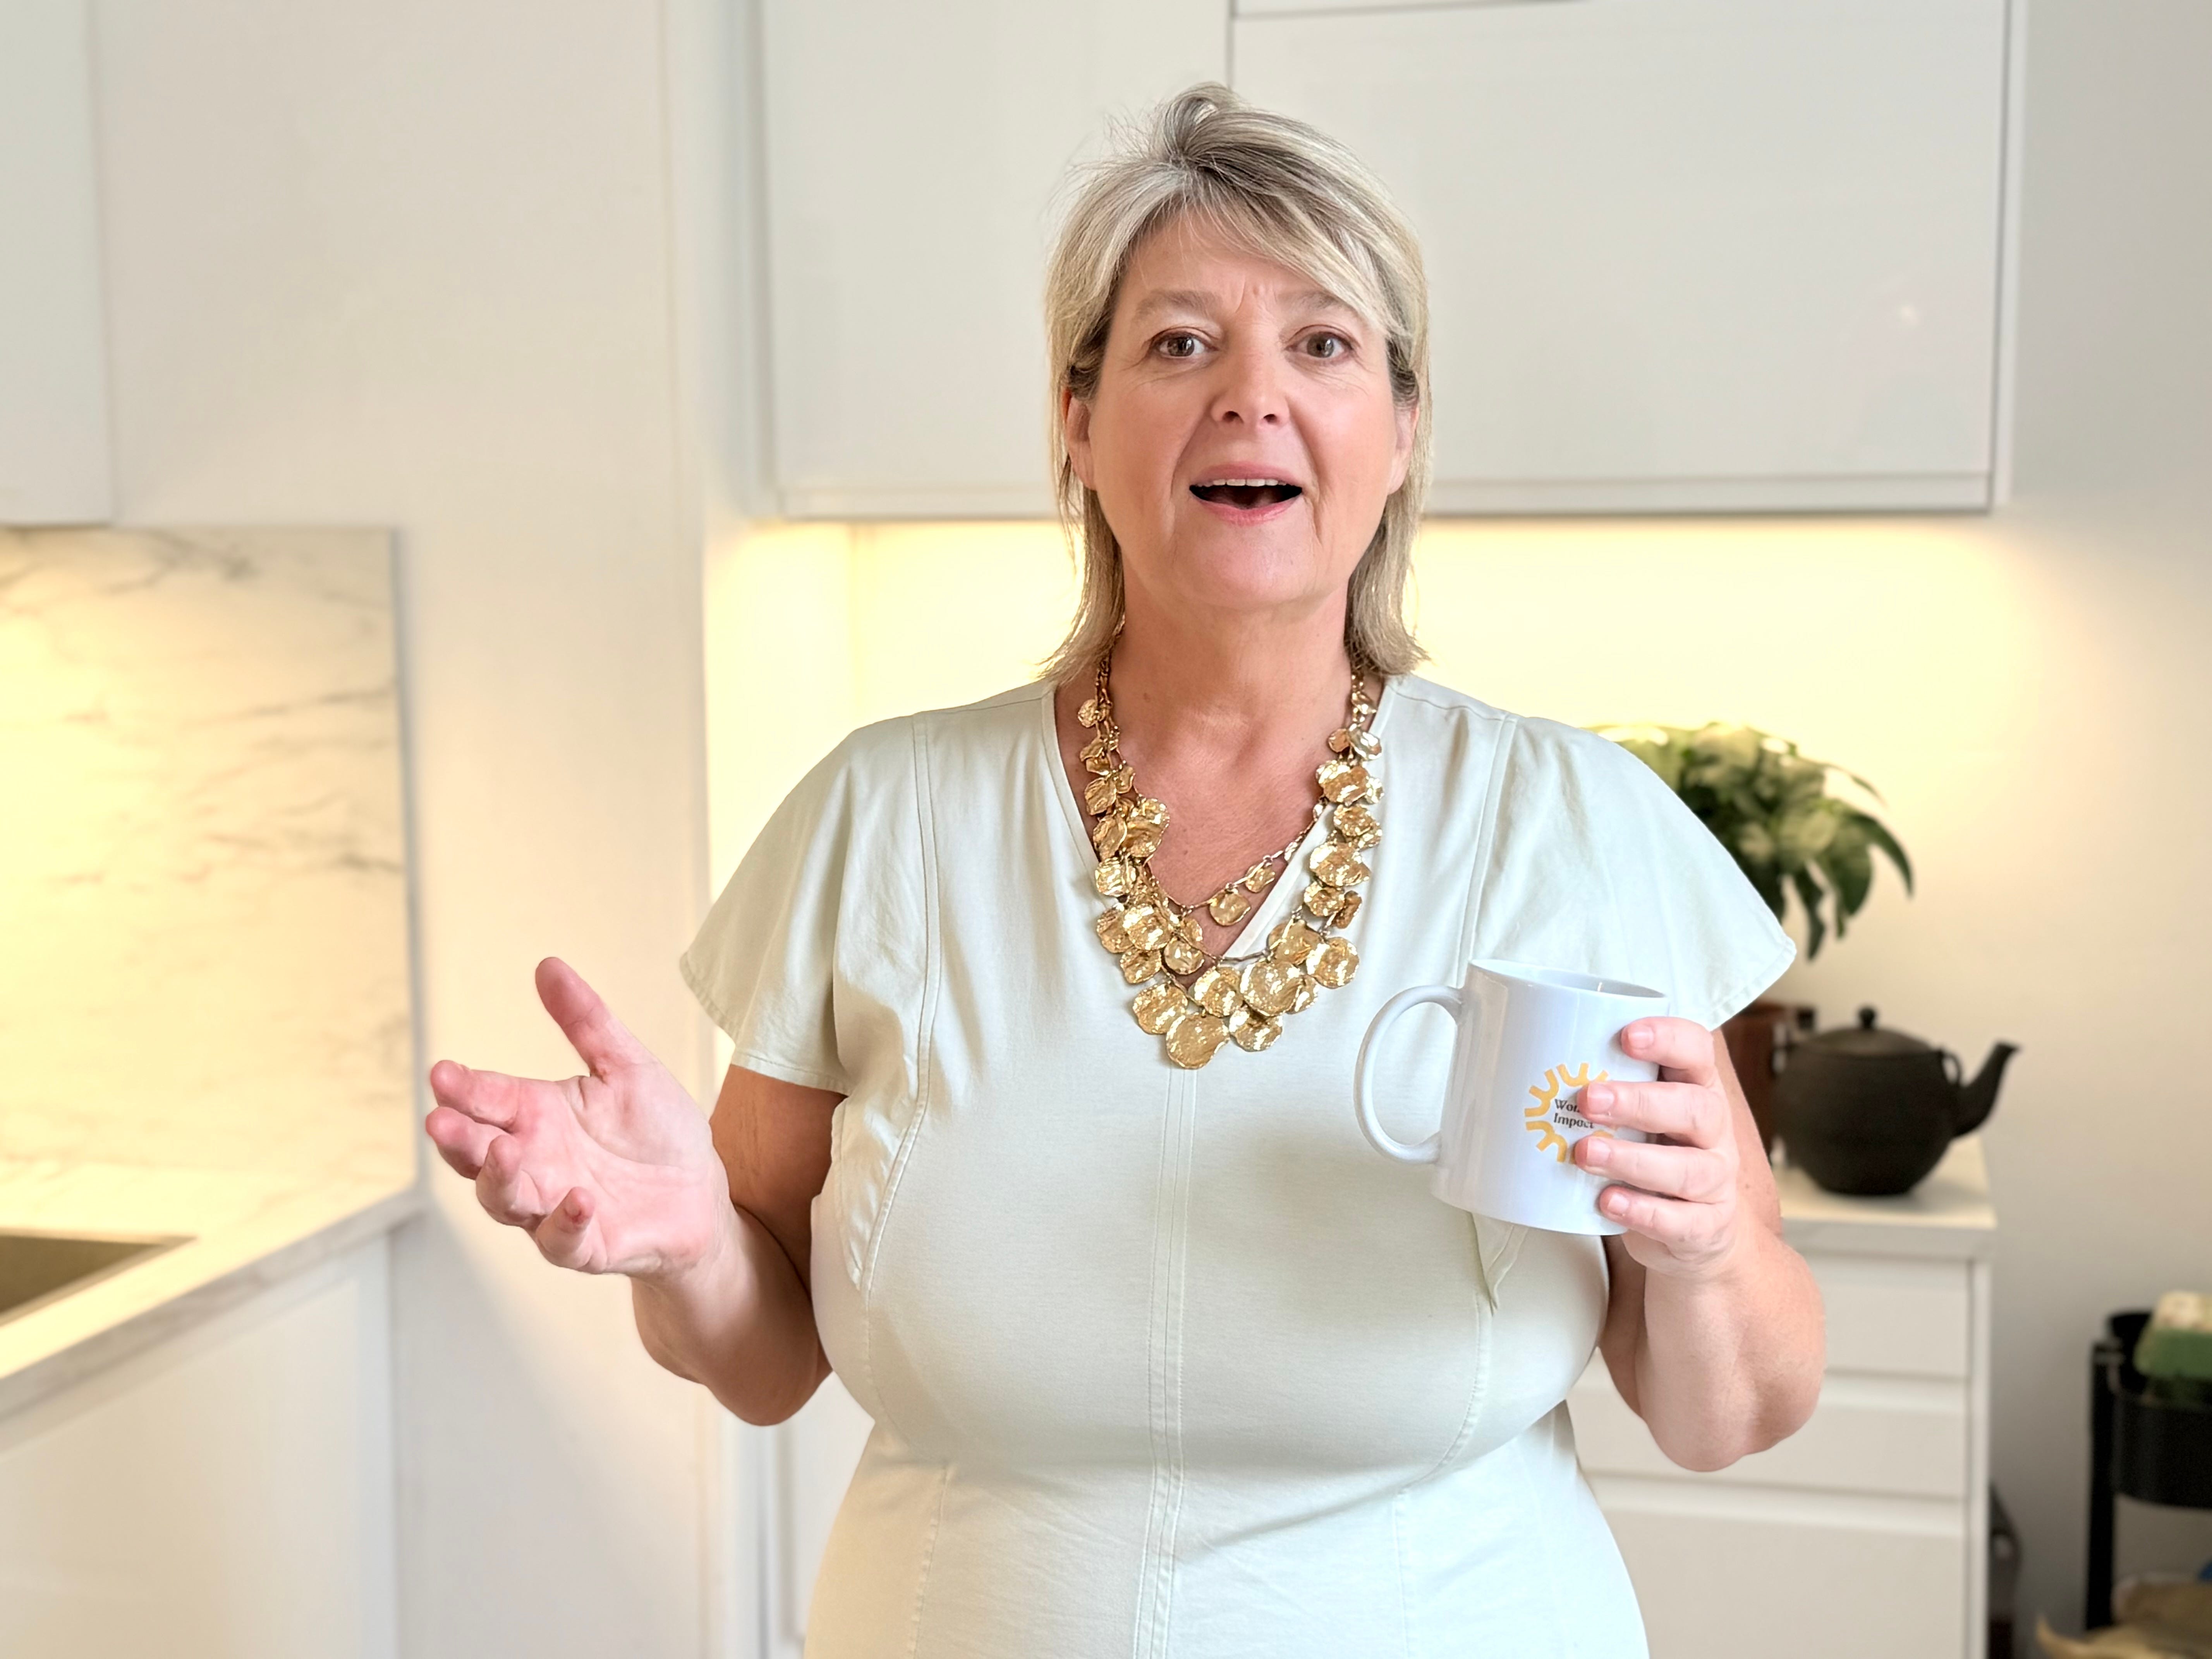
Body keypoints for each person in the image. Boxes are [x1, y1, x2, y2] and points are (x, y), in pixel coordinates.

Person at [426, 82, 1824, 1658]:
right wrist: (688, 1247)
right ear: (1078, 422)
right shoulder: (884, 819)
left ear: (1402, 428)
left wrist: (1708, 1249)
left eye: (1322, 343)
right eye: (1180, 343)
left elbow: (1728, 1414)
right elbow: (761, 1362)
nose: (1252, 398)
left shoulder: (1568, 826)